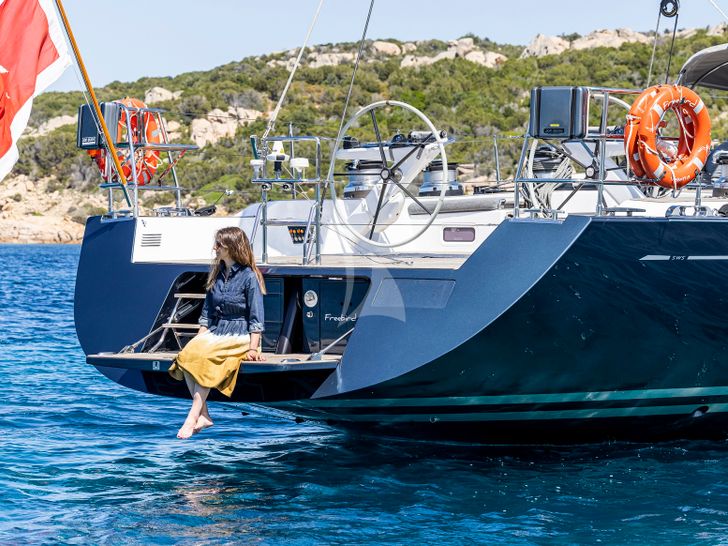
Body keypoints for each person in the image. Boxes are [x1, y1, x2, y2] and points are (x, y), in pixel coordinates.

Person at [168, 226, 266, 439]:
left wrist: (253, 347)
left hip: (241, 334)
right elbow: (207, 312)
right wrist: (200, 337)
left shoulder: (249, 276)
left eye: (219, 245)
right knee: (187, 354)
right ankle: (205, 415)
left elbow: (256, 317)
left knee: (205, 358)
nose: (215, 248)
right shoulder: (217, 273)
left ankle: (193, 417)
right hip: (216, 331)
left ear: (231, 247)